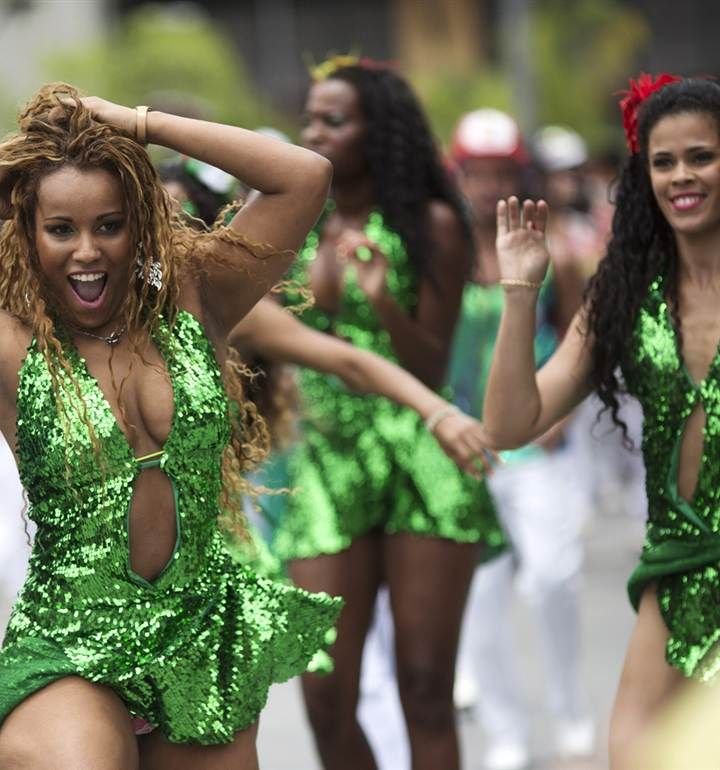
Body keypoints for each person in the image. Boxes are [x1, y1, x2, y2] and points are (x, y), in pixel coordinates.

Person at [0, 83, 340, 769]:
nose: (87, 251)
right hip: (72, 642)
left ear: (138, 224)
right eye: (61, 229)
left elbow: (305, 177)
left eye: (109, 225)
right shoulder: (0, 346)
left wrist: (135, 124)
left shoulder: (195, 295)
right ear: (28, 234)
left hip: (197, 632)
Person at [483, 75, 720, 766]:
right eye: (664, 162)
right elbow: (510, 426)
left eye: (702, 157)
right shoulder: (625, 297)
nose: (682, 176)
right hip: (677, 568)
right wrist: (520, 292)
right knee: (635, 754)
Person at [275, 57, 499, 769]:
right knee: (322, 693)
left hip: (418, 453)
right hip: (325, 457)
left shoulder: (432, 225)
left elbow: (431, 369)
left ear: (380, 132)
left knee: (425, 687)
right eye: (310, 119)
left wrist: (379, 300)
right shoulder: (292, 224)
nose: (314, 132)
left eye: (334, 120)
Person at [448, 109, 594, 770]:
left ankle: (570, 712)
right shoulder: (441, 251)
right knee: (480, 596)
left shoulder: (556, 249)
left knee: (554, 578)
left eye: (500, 174)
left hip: (537, 443)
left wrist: (558, 415)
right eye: (476, 174)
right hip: (465, 445)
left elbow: (578, 331)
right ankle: (505, 730)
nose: (488, 187)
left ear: (518, 176)